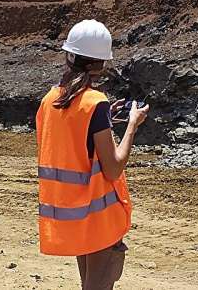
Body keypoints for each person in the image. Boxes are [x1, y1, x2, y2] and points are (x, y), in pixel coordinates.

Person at [36, 19, 150, 290]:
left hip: (70, 213)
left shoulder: (50, 99)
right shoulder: (94, 103)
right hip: (97, 216)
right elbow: (113, 168)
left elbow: (69, 139)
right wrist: (132, 125)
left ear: (69, 55)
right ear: (101, 63)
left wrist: (105, 120)